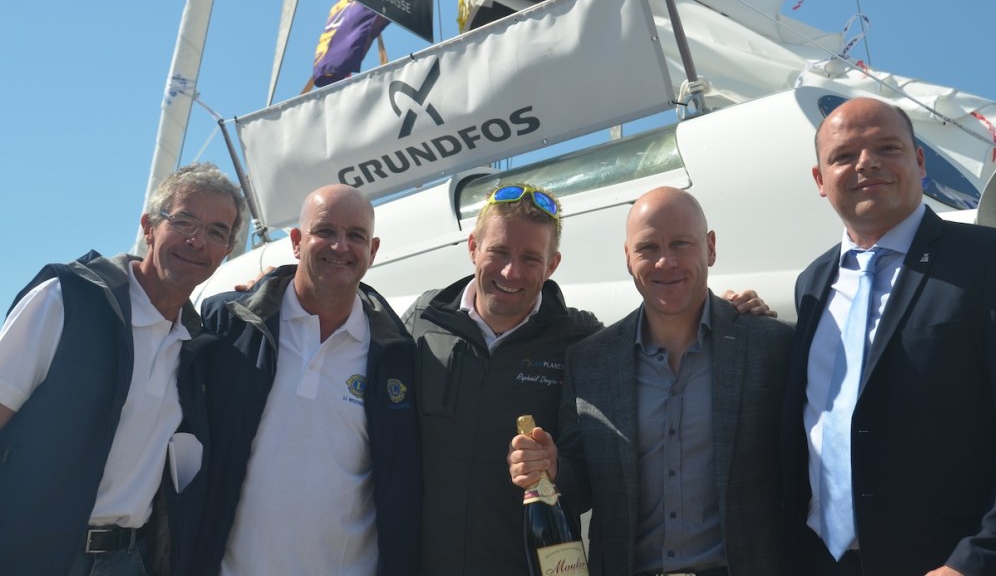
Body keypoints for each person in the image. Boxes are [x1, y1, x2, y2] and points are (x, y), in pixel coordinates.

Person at [404, 182, 772, 575]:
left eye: (531, 258)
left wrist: (727, 314)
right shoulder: (421, 322)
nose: (512, 271)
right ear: (473, 247)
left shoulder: (580, 342)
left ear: (552, 265)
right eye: (498, 252)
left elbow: (588, 477)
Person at [781, 97, 996, 576]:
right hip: (823, 559)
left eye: (886, 148)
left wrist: (976, 560)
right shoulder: (812, 282)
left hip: (948, 563)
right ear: (820, 180)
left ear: (919, 161)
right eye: (843, 156)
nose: (866, 163)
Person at [508, 186, 793, 576]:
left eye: (681, 244)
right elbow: (583, 487)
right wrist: (552, 468)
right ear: (628, 258)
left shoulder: (772, 346)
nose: (665, 262)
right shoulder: (589, 362)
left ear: (710, 247)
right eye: (648, 248)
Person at [0, 162, 244, 576]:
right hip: (29, 554)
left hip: (127, 561)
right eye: (183, 221)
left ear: (227, 250)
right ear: (149, 227)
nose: (197, 240)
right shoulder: (66, 300)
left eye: (217, 232)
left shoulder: (197, 348)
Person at [193, 184, 419, 576]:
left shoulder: (398, 354)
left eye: (356, 236)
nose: (340, 246)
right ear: (297, 241)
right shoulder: (228, 324)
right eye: (325, 231)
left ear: (373, 250)